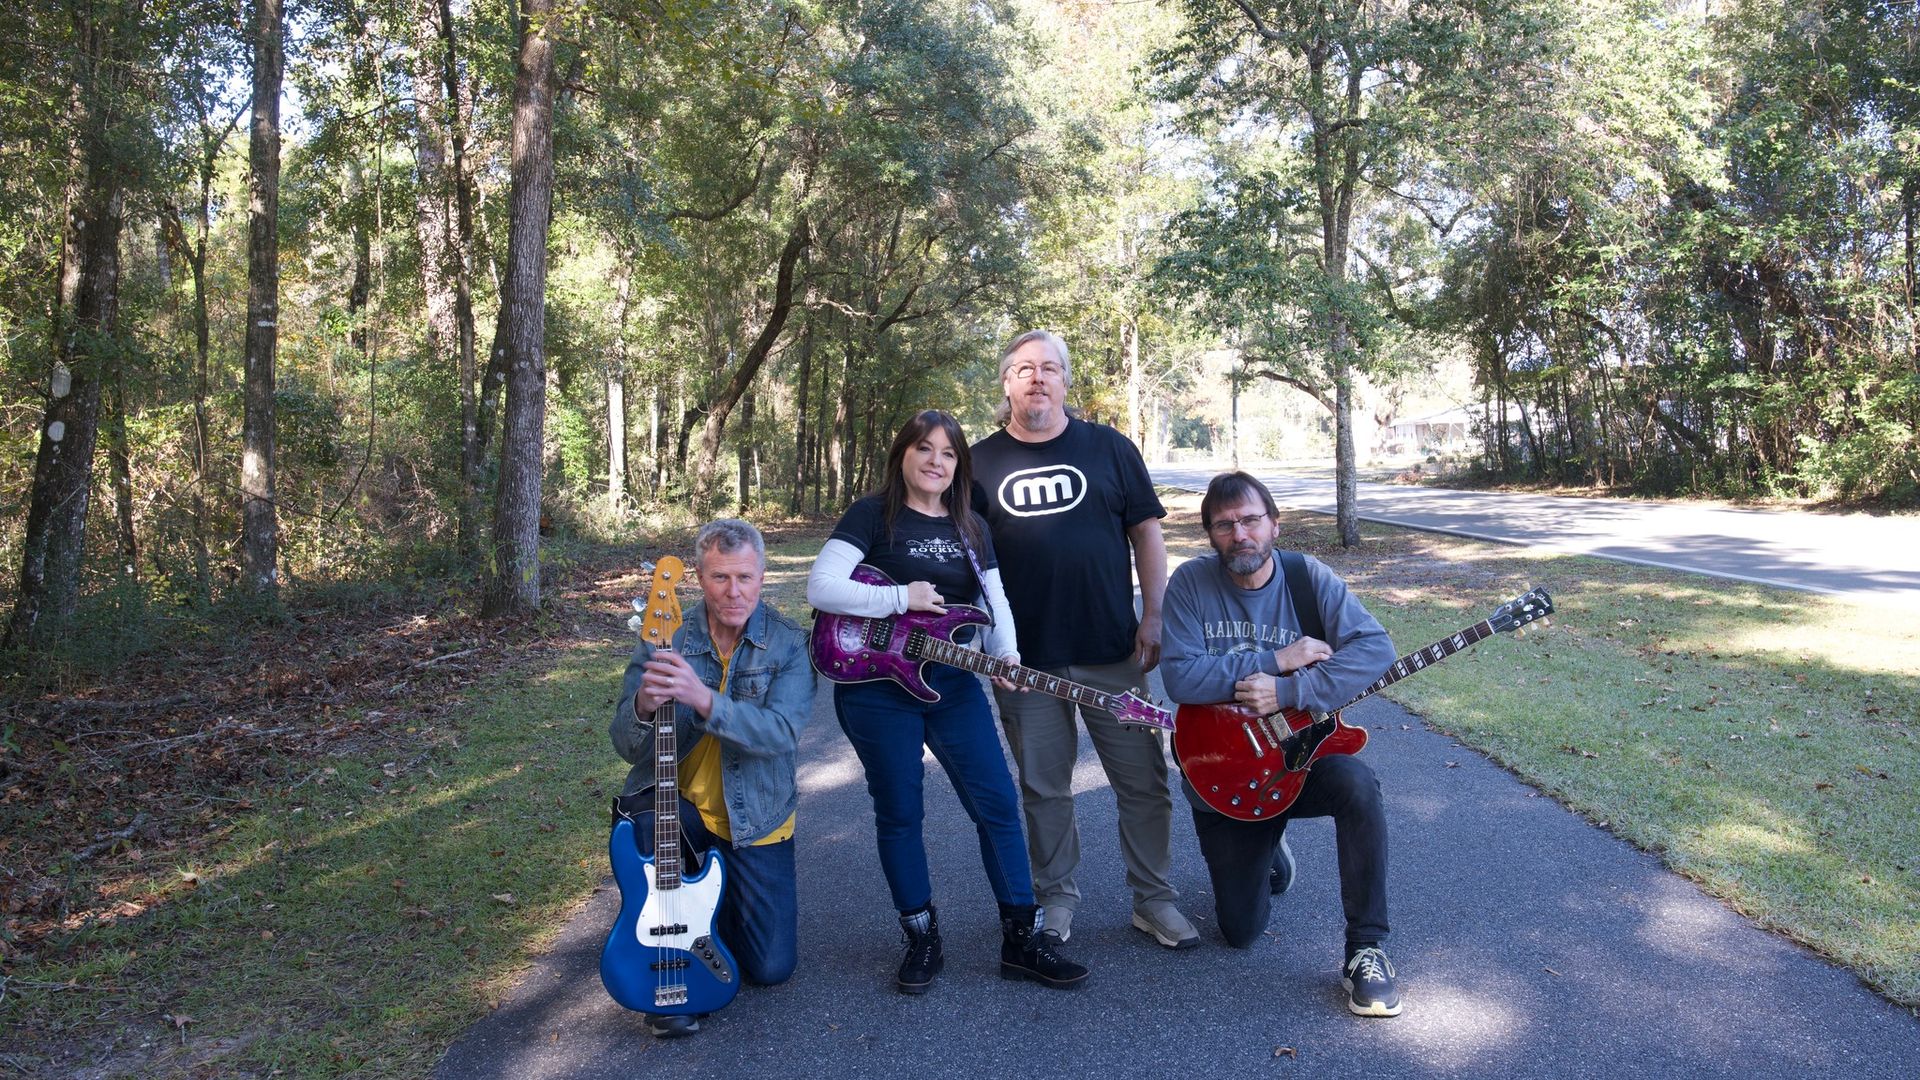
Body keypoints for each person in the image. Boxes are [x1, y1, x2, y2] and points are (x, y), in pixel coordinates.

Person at [808, 409, 1089, 994]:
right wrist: (898, 598)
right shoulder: (872, 513)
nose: (936, 461)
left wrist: (1006, 653)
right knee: (901, 811)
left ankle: (1021, 938)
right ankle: (921, 936)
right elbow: (821, 587)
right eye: (924, 449)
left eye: (948, 452)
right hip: (876, 689)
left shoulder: (969, 525)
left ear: (958, 463)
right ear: (903, 455)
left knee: (997, 804)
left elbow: (996, 600)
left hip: (954, 684)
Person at [969, 329, 1197, 950]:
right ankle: (1057, 900)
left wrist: (1153, 616)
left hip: (1114, 655)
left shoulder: (1110, 449)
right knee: (1044, 786)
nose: (1036, 378)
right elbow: (962, 562)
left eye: (1048, 368)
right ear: (1007, 384)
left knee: (1144, 779)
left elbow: (1147, 534)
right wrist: (983, 642)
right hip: (1024, 662)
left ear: (1066, 380)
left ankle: (1153, 900)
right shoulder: (977, 465)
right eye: (1022, 369)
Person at [1159, 471, 1403, 1017]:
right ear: (1210, 534)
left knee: (1358, 785)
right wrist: (1275, 660)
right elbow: (1180, 678)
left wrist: (1291, 690)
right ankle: (1270, 844)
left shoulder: (1306, 577)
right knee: (1240, 931)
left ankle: (1366, 948)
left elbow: (1374, 649)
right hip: (1221, 769)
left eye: (1249, 519)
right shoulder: (1191, 585)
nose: (1239, 534)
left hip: (1299, 756)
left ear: (1274, 523)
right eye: (1224, 525)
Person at [610, 518, 816, 1038]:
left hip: (757, 820)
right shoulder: (666, 636)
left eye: (745, 577)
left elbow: (780, 734)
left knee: (771, 969)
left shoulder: (790, 645)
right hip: (682, 814)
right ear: (699, 577)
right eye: (720, 577)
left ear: (763, 576)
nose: (734, 591)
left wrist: (702, 699)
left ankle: (708, 912)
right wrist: (642, 704)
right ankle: (672, 922)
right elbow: (627, 745)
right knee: (647, 818)